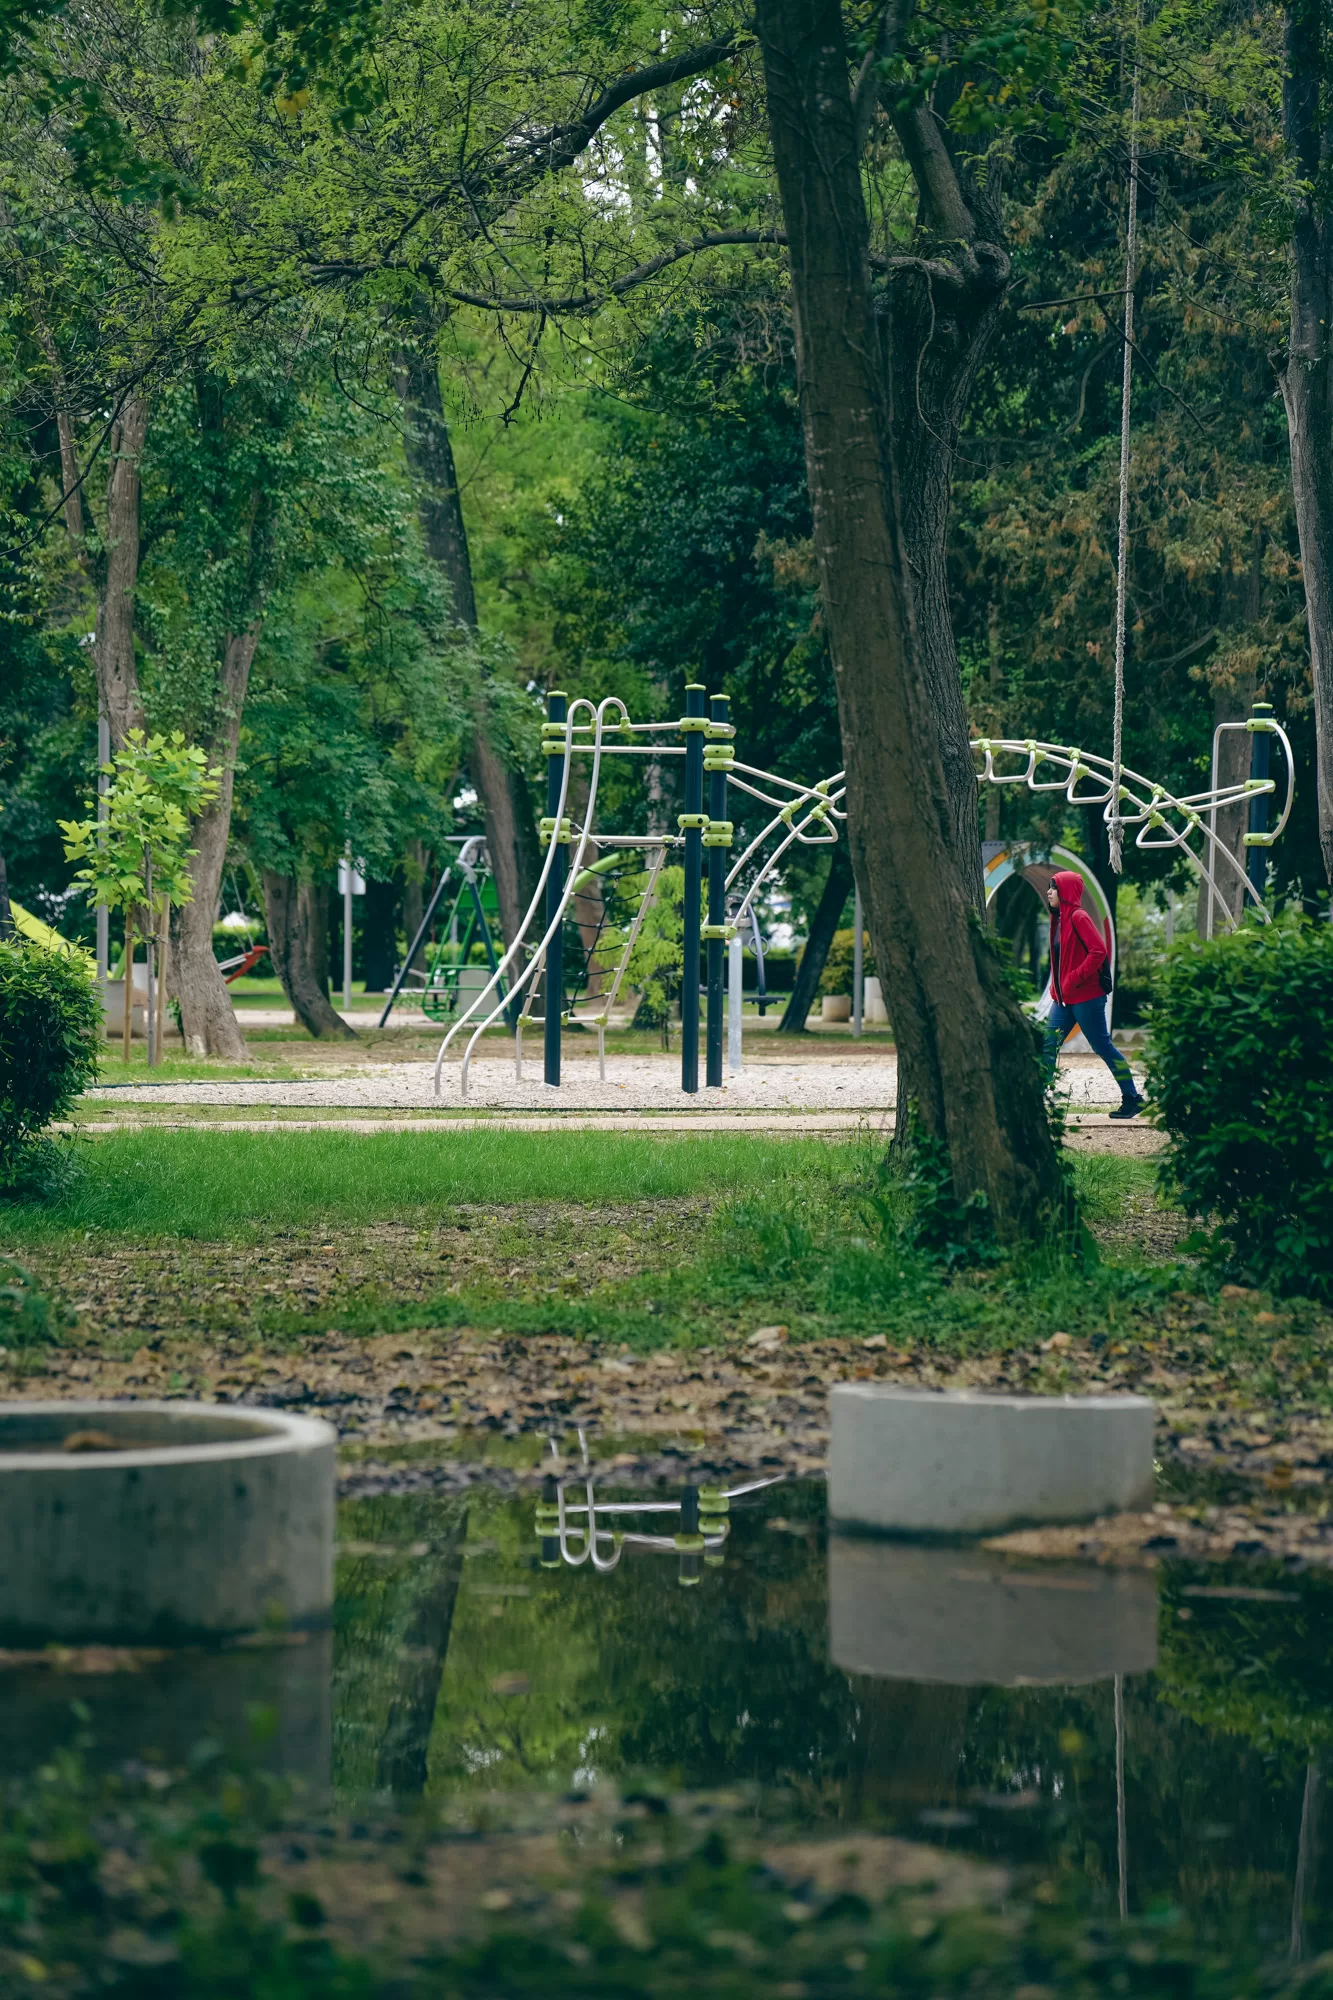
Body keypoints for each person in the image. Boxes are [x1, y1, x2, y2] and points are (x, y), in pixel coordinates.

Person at [1041, 870, 1144, 1119]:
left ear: (1066, 892)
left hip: (1087, 997)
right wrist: (1057, 986)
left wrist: (1073, 979)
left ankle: (1132, 1098)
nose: (1049, 892)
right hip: (1063, 999)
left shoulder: (1079, 917)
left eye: (1054, 887)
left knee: (1103, 1047)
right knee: (1048, 1044)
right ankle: (1037, 1101)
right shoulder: (1058, 920)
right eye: (1049, 887)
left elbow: (1098, 951)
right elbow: (1061, 960)